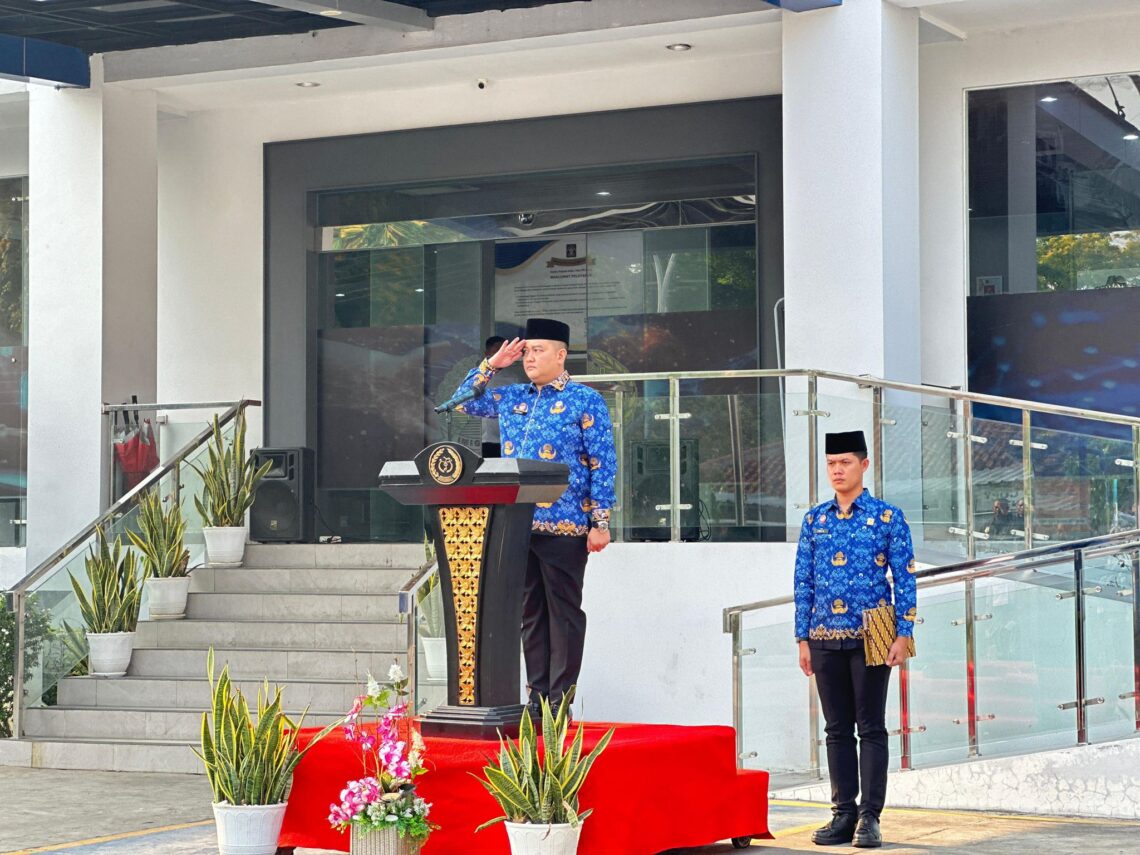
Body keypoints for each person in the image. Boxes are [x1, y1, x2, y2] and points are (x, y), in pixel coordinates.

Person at [450, 318, 617, 717]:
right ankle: (537, 698)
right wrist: (492, 364)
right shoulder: (512, 397)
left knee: (563, 612)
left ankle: (561, 700)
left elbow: (603, 463)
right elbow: (461, 401)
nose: (529, 358)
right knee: (530, 613)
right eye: (525, 351)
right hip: (517, 523)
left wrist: (601, 522)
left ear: (561, 355)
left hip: (566, 524)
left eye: (538, 350)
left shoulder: (584, 400)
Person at [793, 430, 917, 849]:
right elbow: (803, 581)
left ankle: (870, 818)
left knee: (872, 727)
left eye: (845, 462)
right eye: (831, 464)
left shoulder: (887, 517)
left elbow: (905, 579)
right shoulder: (815, 519)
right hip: (823, 633)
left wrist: (905, 632)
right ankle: (843, 813)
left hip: (875, 632)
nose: (837, 470)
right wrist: (802, 637)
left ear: (864, 465)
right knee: (836, 729)